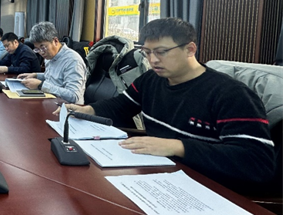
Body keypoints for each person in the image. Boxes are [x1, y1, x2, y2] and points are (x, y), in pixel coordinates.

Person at [56, 17, 275, 192]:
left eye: (161, 52)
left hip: (210, 189)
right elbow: (121, 107)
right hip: (160, 176)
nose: (153, 60)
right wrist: (87, 110)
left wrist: (178, 146)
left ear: (190, 49)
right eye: (147, 52)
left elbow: (257, 163)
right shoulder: (152, 80)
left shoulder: (231, 94)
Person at [18, 22, 87, 103]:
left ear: (55, 41)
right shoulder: (49, 56)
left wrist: (41, 85)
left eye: (43, 47)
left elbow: (74, 96)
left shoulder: (73, 61)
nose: (41, 52)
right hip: (49, 101)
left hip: (66, 108)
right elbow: (53, 77)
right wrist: (36, 75)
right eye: (37, 49)